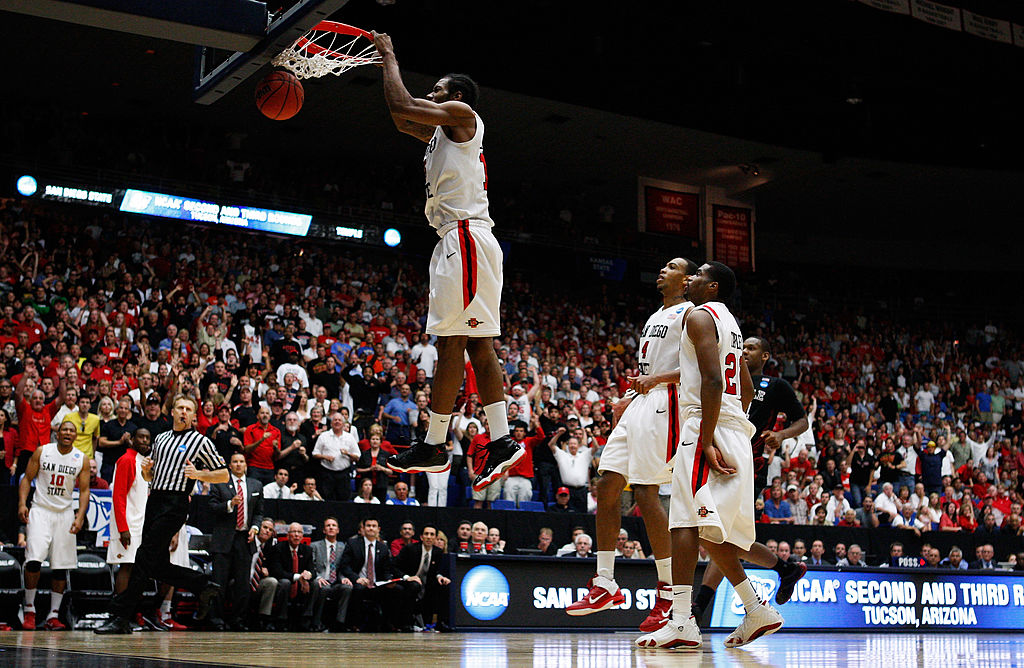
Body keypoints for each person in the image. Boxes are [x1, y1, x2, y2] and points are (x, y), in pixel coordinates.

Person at [372, 32, 522, 486]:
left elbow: (405, 106)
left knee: (457, 343)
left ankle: (447, 444)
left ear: (455, 97)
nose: (430, 94)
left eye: (436, 89)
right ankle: (487, 442)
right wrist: (386, 69)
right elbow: (402, 119)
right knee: (469, 343)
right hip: (455, 241)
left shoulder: (462, 114)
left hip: (467, 238)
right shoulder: (440, 134)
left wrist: (390, 56)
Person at [637, 262, 783, 650]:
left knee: (682, 521)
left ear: (713, 286)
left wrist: (705, 439)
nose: (690, 278)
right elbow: (747, 387)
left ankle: (682, 620)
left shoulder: (700, 315)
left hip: (708, 422)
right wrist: (730, 427)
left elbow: (714, 381)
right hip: (732, 424)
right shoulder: (731, 323)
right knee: (709, 529)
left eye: (698, 274)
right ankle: (756, 608)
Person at [567, 257, 695, 634]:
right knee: (607, 484)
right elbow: (647, 370)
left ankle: (668, 591)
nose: (662, 270)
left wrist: (652, 381)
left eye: (671, 267)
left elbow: (696, 370)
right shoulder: (657, 315)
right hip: (640, 402)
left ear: (687, 281)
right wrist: (628, 396)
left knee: (645, 491)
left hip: (667, 403)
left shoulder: (691, 315)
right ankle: (605, 583)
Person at [691, 335, 808, 622]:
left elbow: (802, 421)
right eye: (742, 346)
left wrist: (780, 434)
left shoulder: (776, 386)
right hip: (719, 459)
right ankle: (784, 570)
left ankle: (698, 608)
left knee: (719, 533)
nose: (744, 351)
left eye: (751, 348)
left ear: (765, 356)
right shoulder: (726, 380)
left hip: (749, 466)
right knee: (724, 536)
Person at [95, 396, 228, 634]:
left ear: (193, 415)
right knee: (154, 565)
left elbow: (224, 475)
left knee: (143, 558)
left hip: (175, 504)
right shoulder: (161, 438)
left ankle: (121, 615)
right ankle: (202, 584)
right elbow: (150, 477)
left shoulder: (200, 441)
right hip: (154, 500)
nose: (184, 412)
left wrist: (199, 474)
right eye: (180, 408)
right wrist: (147, 472)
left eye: (188, 409)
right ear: (173, 411)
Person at [18, 420, 90, 630]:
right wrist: (22, 503)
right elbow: (26, 478)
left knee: (60, 566)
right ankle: (29, 609)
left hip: (65, 513)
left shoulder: (81, 459)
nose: (68, 433)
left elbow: (84, 490)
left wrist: (80, 515)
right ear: (57, 433)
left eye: (72, 430)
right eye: (64, 429)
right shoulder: (43, 451)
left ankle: (53, 614)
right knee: (34, 559)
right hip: (40, 510)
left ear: (76, 436)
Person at [208, 452, 264, 631]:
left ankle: (238, 620)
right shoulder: (220, 482)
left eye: (241, 461)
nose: (239, 464)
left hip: (244, 538)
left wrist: (255, 528)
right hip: (224, 539)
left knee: (242, 584)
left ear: (246, 465)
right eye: (235, 462)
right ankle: (216, 619)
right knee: (219, 582)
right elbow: (211, 507)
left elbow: (259, 513)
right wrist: (230, 504)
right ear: (230, 465)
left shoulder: (256, 484)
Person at [339, 517, 421, 631]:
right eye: (368, 526)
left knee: (397, 590)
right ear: (363, 528)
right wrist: (356, 578)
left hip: (377, 583)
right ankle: (354, 624)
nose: (371, 528)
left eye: (374, 526)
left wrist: (388, 581)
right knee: (358, 589)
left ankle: (391, 623)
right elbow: (345, 566)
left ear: (378, 529)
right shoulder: (353, 543)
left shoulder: (382, 547)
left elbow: (387, 569)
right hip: (360, 582)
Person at [396, 525, 452, 631]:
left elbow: (436, 571)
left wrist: (440, 577)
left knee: (443, 585)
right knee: (414, 585)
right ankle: (407, 623)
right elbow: (395, 567)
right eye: (426, 534)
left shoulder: (438, 552)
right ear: (421, 537)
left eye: (432, 535)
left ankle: (441, 623)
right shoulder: (410, 549)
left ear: (435, 538)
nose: (429, 537)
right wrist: (407, 577)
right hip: (408, 581)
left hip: (427, 583)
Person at [267, 522, 319, 631]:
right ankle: (281, 620)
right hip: (285, 585)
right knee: (285, 582)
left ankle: (306, 619)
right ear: (287, 535)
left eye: (299, 532)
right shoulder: (279, 548)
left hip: (301, 586)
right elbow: (277, 571)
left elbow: (313, 571)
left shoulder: (307, 550)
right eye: (293, 532)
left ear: (302, 536)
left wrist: (308, 575)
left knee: (314, 583)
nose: (296, 535)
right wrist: (298, 577)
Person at [310, 517, 353, 632]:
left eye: (334, 525)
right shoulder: (315, 546)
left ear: (338, 530)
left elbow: (344, 567)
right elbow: (311, 565)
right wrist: (318, 577)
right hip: (320, 579)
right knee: (323, 587)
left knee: (347, 587)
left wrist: (344, 578)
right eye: (328, 525)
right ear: (324, 530)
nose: (331, 527)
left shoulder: (343, 547)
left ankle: (340, 622)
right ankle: (316, 622)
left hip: (336, 582)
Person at [312, 413, 360, 501]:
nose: (337, 422)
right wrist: (325, 457)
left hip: (343, 474)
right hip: (327, 474)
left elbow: (357, 456)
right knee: (326, 499)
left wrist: (347, 454)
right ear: (331, 423)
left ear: (343, 423)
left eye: (339, 420)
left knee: (343, 500)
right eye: (335, 420)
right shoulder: (323, 436)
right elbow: (315, 453)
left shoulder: (349, 437)